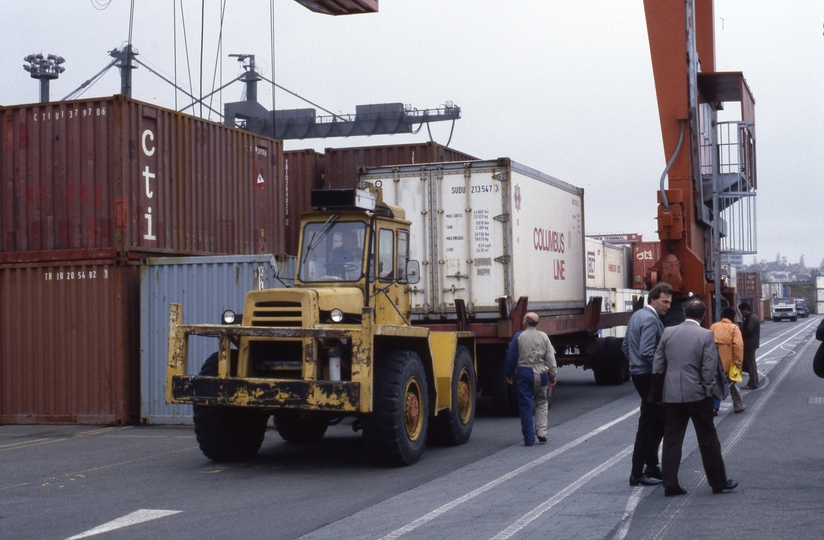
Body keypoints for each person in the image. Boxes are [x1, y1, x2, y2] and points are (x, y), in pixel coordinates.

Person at [651, 298, 738, 496]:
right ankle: (718, 482)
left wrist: (660, 390)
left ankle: (670, 484)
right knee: (708, 439)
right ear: (704, 315)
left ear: (684, 314)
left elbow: (658, 364)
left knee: (672, 439)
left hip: (672, 395)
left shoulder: (668, 332)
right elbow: (709, 366)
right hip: (697, 395)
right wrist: (708, 389)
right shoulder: (706, 335)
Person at [622, 282, 673, 487]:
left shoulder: (636, 316)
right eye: (664, 301)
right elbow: (647, 352)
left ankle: (651, 464)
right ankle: (637, 472)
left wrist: (634, 364)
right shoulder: (652, 320)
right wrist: (659, 373)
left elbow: (626, 345)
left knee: (659, 418)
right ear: (653, 299)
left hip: (638, 372)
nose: (668, 306)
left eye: (670, 302)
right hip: (648, 375)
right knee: (648, 422)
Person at [505, 312, 557, 446]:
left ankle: (529, 438)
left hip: (524, 372)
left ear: (526, 322)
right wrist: (552, 375)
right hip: (541, 373)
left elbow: (511, 357)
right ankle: (541, 432)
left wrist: (509, 373)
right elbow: (550, 358)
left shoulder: (519, 337)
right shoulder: (544, 337)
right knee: (542, 402)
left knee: (525, 405)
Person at [710, 306, 746, 414]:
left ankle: (714, 407)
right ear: (734, 317)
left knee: (715, 383)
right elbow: (738, 346)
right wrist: (738, 362)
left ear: (721, 316)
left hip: (713, 361)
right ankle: (738, 405)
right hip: (729, 363)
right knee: (732, 384)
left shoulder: (713, 326)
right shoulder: (734, 328)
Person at [739, 302, 761, 389]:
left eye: (742, 311)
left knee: (751, 363)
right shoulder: (752, 317)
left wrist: (740, 331)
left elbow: (749, 330)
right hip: (751, 343)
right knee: (751, 363)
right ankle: (754, 381)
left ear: (746, 310)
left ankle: (753, 383)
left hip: (750, 344)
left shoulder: (751, 318)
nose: (742, 314)